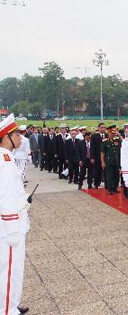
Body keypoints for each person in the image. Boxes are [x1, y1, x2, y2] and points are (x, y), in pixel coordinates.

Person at [0, 114, 31, 315]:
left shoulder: (7, 158)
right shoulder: (4, 160)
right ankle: (8, 310)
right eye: (16, 134)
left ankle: (9, 303)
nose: (20, 138)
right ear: (6, 137)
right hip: (10, 227)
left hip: (12, 221)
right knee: (10, 269)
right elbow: (5, 196)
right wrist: (12, 229)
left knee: (9, 269)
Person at [101, 126, 121, 195]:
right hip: (109, 161)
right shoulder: (105, 141)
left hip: (116, 161)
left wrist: (118, 134)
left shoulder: (116, 139)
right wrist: (103, 162)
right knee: (110, 175)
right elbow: (102, 152)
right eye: (111, 133)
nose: (113, 134)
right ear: (108, 133)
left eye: (114, 133)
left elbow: (123, 140)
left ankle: (115, 187)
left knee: (116, 175)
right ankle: (110, 189)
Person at [91, 123, 107, 188]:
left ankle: (107, 184)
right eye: (101, 127)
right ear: (98, 128)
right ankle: (96, 184)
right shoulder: (94, 136)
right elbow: (92, 147)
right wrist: (92, 157)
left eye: (104, 127)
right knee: (97, 171)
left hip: (106, 157)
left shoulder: (107, 135)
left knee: (106, 171)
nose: (103, 129)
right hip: (97, 156)